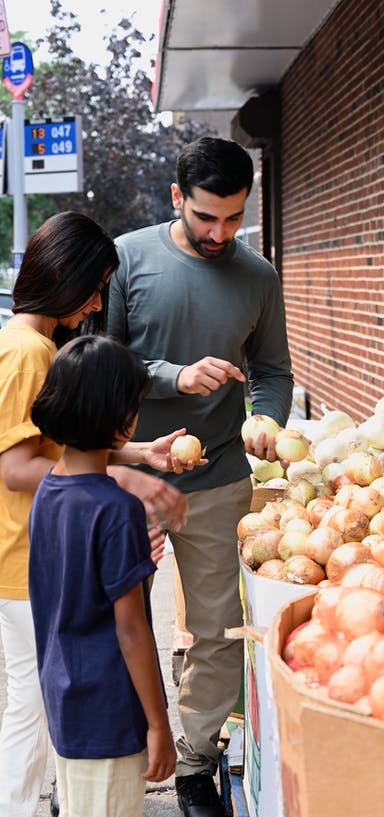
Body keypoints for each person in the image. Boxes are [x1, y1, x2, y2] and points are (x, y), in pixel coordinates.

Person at [108, 136, 294, 816]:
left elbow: (273, 371)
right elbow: (101, 360)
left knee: (217, 629)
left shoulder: (259, 276)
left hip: (219, 478)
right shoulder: (129, 258)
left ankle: (194, 763)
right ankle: (121, 755)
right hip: (130, 473)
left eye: (234, 218)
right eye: (206, 217)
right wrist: (173, 375)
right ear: (177, 198)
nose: (220, 233)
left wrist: (266, 418)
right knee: (114, 619)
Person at [0, 211, 191, 817]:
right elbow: (16, 466)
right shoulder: (28, 350)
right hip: (21, 560)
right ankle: (20, 806)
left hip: (42, 553)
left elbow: (63, 447)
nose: (97, 301)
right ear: (64, 274)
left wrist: (134, 453)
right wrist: (127, 477)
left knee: (39, 695)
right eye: (97, 284)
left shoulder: (33, 344)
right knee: (29, 702)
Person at [28, 334, 177, 817]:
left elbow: (76, 580)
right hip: (110, 710)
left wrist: (133, 560)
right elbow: (131, 629)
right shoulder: (117, 508)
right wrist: (158, 724)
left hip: (65, 695)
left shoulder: (49, 488)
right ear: (121, 418)